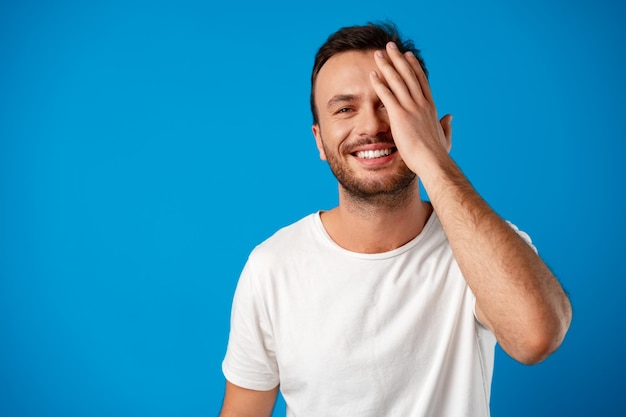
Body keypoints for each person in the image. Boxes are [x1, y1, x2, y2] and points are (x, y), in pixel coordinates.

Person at [219, 21, 572, 417]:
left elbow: (537, 337)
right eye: (345, 108)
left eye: (390, 103)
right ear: (319, 140)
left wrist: (433, 159)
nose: (370, 126)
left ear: (436, 128)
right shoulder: (272, 267)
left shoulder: (480, 249)